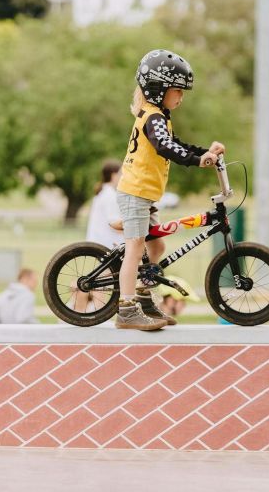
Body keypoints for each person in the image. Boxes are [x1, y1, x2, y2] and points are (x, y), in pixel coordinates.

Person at [115, 49, 225, 330]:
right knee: (135, 247)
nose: (181, 96)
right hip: (136, 192)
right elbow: (166, 147)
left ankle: (143, 294)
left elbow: (177, 143)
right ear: (157, 89)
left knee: (157, 244)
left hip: (144, 194)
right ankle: (126, 309)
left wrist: (204, 153)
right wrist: (197, 161)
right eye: (177, 90)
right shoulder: (152, 118)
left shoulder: (158, 117)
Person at [86, 160, 124, 249]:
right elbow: (114, 223)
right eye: (121, 174)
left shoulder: (103, 192)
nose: (123, 177)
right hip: (107, 242)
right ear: (113, 175)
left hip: (99, 239)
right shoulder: (110, 195)